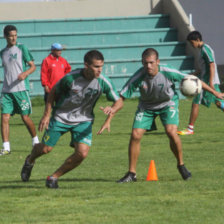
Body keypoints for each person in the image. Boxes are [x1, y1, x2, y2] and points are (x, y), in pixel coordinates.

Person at [117, 48, 224, 183]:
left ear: (158, 61)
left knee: (171, 132)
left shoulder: (168, 71)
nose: (148, 66)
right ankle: (131, 174)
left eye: (151, 62)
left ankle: (181, 165)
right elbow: (123, 95)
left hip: (168, 104)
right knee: (135, 135)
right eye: (145, 63)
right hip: (147, 107)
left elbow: (194, 80)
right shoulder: (139, 75)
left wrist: (215, 93)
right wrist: (112, 110)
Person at [21, 50, 123, 188]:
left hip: (83, 120)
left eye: (101, 66)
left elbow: (119, 101)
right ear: (86, 65)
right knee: (45, 149)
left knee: (82, 153)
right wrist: (47, 114)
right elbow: (53, 92)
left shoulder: (103, 81)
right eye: (96, 67)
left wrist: (112, 109)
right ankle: (30, 160)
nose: (100, 70)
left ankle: (53, 177)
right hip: (61, 117)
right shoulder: (71, 78)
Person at [0, 25, 39, 156]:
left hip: (21, 89)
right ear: (5, 36)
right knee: (4, 117)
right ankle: (6, 147)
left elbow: (33, 66)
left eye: (15, 35)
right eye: (11, 35)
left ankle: (36, 142)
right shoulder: (3, 52)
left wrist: (25, 73)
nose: (13, 38)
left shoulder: (22, 48)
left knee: (25, 117)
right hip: (6, 91)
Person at [178, 31, 224, 135]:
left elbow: (212, 65)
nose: (191, 45)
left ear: (198, 40)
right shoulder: (202, 50)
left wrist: (211, 82)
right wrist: (191, 75)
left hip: (207, 82)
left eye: (192, 42)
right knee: (219, 102)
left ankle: (190, 129)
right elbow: (202, 68)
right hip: (207, 81)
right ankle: (190, 128)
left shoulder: (205, 49)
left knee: (196, 102)